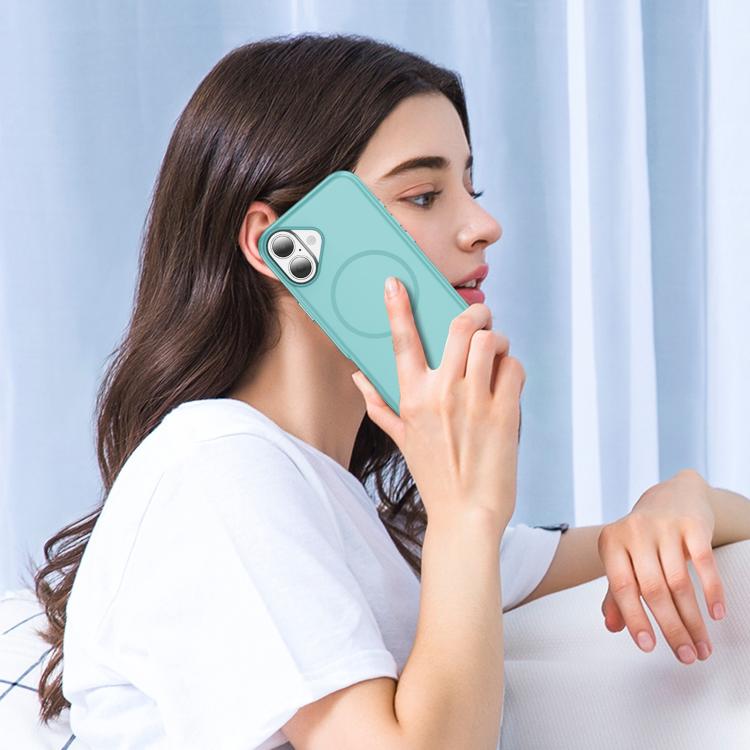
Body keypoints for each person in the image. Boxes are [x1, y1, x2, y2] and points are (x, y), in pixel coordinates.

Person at [32, 33, 574, 749]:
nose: (484, 226)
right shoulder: (215, 469)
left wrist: (678, 504)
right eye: (423, 195)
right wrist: (466, 513)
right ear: (284, 246)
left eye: (472, 189)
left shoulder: (373, 521)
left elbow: (674, 536)